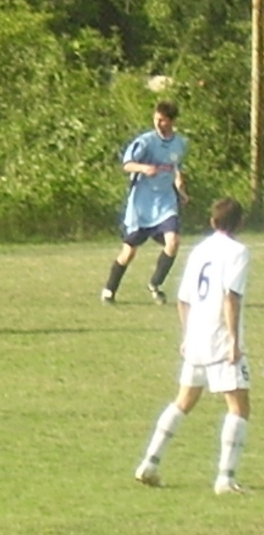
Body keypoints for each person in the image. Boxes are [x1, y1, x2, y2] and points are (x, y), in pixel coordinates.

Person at [134, 197, 251, 495]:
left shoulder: (199, 251)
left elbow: (184, 299)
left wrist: (187, 335)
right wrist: (234, 341)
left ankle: (150, 462)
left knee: (184, 400)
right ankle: (225, 478)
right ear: (240, 223)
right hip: (221, 339)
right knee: (238, 407)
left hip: (197, 337)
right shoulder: (238, 252)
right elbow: (230, 296)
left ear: (212, 222)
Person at [101, 100, 189, 304]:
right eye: (156, 119)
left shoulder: (180, 143)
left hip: (165, 202)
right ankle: (109, 289)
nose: (158, 123)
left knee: (173, 241)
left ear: (172, 121)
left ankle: (155, 284)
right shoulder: (146, 142)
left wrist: (181, 192)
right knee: (129, 251)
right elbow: (127, 164)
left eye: (163, 120)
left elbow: (177, 170)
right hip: (142, 203)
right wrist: (143, 168)